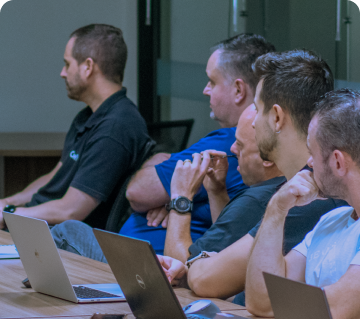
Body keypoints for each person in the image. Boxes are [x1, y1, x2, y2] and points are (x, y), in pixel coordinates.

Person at [160, 50, 347, 302]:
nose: (253, 122)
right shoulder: (300, 187)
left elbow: (207, 280)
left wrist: (197, 265)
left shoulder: (306, 198)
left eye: (257, 109)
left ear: (277, 117)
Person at [120, 34, 276, 253]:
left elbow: (138, 192)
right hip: (160, 261)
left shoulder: (230, 144)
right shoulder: (241, 149)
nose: (205, 90)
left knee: (66, 231)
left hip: (159, 265)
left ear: (239, 90)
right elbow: (223, 223)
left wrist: (177, 200)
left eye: (212, 81)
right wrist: (179, 200)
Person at [0, 24, 150, 230]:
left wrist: (10, 215)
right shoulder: (89, 115)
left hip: (61, 240)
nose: (63, 73)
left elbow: (71, 210)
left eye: (67, 64)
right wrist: (9, 202)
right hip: (36, 223)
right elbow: (56, 176)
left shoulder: (116, 127)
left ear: (88, 67)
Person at [245, 88, 360, 319]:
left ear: (338, 162)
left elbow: (334, 317)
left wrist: (287, 300)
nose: (308, 162)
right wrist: (277, 208)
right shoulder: (333, 220)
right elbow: (262, 299)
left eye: (313, 152)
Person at [163, 104, 284, 263]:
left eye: (240, 145)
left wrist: (180, 197)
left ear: (268, 156)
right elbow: (225, 248)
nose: (233, 149)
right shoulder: (285, 185)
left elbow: (180, 267)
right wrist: (216, 191)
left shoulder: (256, 200)